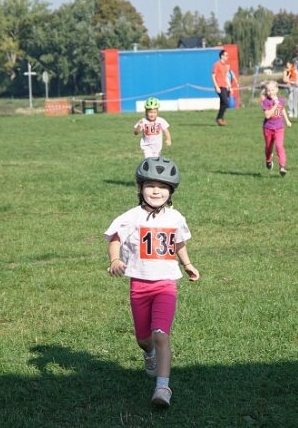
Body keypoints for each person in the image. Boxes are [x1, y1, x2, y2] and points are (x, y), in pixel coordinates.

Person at [104, 156, 200, 408]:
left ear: (171, 191)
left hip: (166, 285)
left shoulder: (175, 217)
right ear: (140, 188)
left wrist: (187, 264)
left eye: (163, 186)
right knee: (144, 339)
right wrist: (115, 259)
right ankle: (149, 355)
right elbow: (115, 237)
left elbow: (179, 242)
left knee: (161, 334)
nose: (156, 190)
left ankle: (162, 387)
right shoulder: (132, 217)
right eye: (150, 185)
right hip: (139, 286)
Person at [261, 81, 292, 176]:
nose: (270, 92)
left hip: (279, 127)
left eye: (272, 90)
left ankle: (282, 167)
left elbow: (282, 109)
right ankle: (268, 160)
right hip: (268, 128)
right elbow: (267, 115)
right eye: (268, 90)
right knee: (269, 148)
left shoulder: (281, 100)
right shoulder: (266, 102)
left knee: (279, 146)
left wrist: (287, 121)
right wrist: (275, 105)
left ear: (277, 90)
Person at [211, 49, 236, 126]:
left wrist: (230, 87)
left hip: (224, 86)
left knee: (223, 103)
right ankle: (219, 117)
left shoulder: (225, 66)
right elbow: (213, 76)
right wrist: (216, 86)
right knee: (225, 102)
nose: (227, 57)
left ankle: (220, 119)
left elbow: (225, 78)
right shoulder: (216, 64)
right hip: (219, 86)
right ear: (221, 56)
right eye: (225, 55)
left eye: (227, 55)